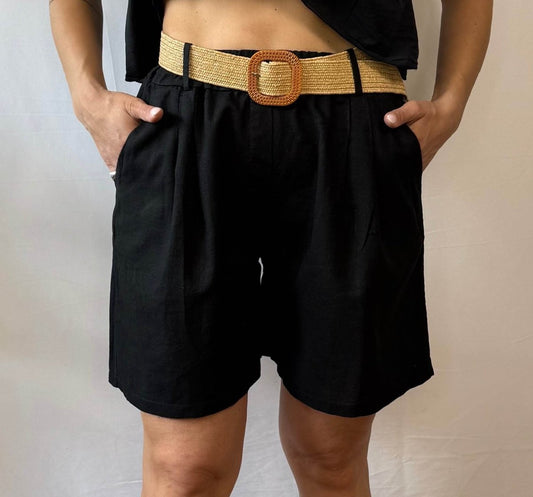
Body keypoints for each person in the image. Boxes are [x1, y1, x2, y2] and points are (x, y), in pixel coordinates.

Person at [49, 1, 493, 496]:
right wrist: (87, 97)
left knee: (329, 457)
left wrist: (451, 105)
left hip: (353, 119)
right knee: (185, 469)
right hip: (184, 119)